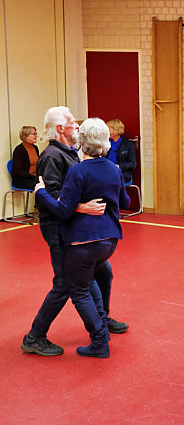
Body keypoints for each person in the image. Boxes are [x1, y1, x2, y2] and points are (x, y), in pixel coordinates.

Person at [20, 107, 124, 358]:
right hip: (58, 226)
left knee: (101, 272)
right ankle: (35, 336)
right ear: (60, 128)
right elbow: (52, 196)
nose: (77, 126)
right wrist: (81, 207)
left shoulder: (71, 153)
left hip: (75, 225)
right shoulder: (52, 156)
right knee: (66, 284)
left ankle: (101, 322)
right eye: (72, 123)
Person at [106, 119, 137, 184]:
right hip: (107, 172)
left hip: (122, 174)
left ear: (115, 130)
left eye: (109, 129)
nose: (107, 132)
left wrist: (119, 166)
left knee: (109, 182)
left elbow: (133, 164)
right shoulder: (106, 144)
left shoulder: (128, 144)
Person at [11, 126, 40, 190]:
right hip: (22, 179)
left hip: (33, 177)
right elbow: (18, 171)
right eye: (34, 134)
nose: (36, 136)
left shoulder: (35, 148)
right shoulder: (19, 150)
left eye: (36, 133)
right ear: (25, 136)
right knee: (44, 186)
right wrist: (34, 177)